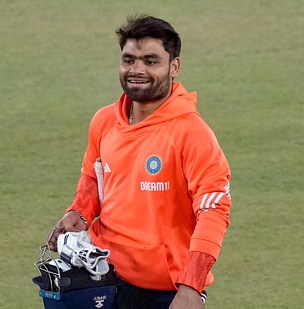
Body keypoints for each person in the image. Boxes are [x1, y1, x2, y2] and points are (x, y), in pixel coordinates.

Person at [46, 15, 232, 309]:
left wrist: (191, 286)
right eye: (129, 59)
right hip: (104, 280)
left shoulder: (192, 134)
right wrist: (79, 213)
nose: (137, 70)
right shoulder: (104, 121)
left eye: (150, 61)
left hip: (167, 291)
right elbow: (94, 177)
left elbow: (214, 212)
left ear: (174, 66)